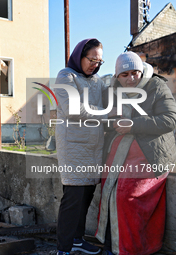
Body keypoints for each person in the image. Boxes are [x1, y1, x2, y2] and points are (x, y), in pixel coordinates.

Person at [96, 51, 176, 255]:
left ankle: (131, 248)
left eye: (135, 73)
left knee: (126, 197)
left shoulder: (156, 86)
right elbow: (102, 121)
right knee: (108, 191)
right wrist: (110, 120)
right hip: (119, 152)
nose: (131, 78)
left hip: (150, 154)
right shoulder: (112, 89)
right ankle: (111, 244)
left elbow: (169, 120)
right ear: (116, 76)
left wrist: (132, 124)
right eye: (125, 74)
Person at [54, 38, 117, 255]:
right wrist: (106, 113)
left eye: (99, 61)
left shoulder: (98, 81)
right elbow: (73, 108)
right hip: (73, 148)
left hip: (94, 148)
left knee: (87, 196)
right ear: (80, 56)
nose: (95, 65)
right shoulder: (66, 76)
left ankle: (78, 240)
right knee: (73, 199)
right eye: (92, 59)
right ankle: (63, 248)